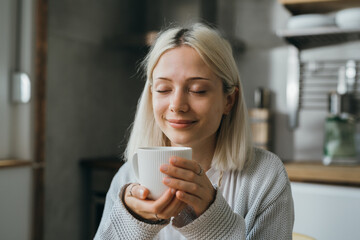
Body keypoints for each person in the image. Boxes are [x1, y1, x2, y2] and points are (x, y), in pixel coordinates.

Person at [94, 23, 294, 240]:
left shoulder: (265, 176)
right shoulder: (128, 177)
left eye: (198, 90)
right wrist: (133, 223)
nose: (177, 105)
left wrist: (211, 219)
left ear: (229, 100)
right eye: (163, 89)